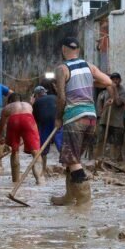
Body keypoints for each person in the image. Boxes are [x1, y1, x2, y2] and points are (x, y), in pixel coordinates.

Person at [51, 36, 113, 205]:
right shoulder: (89, 66)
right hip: (91, 118)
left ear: (63, 49)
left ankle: (84, 198)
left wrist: (58, 118)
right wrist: (89, 81)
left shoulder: (62, 69)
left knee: (72, 160)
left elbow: (61, 97)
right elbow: (108, 81)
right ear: (78, 50)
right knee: (73, 159)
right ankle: (69, 196)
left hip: (74, 117)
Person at [0, 93, 43, 185]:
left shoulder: (7, 107)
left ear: (10, 101)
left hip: (14, 121)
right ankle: (39, 180)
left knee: (15, 151)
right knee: (36, 152)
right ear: (21, 100)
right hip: (29, 120)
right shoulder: (28, 105)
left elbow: (1, 125)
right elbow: (31, 121)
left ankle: (15, 180)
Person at [33, 84, 62, 175]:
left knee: (43, 148)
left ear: (36, 95)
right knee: (61, 145)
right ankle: (69, 167)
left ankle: (43, 169)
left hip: (45, 123)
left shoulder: (36, 103)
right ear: (45, 92)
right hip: (57, 121)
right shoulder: (54, 97)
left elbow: (35, 120)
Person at [105, 72, 125, 162]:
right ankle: (111, 159)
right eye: (113, 79)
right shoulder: (106, 91)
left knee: (118, 141)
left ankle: (118, 159)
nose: (115, 81)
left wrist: (115, 90)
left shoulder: (124, 92)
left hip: (118, 121)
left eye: (117, 79)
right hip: (109, 120)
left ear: (120, 80)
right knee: (110, 142)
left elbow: (118, 103)